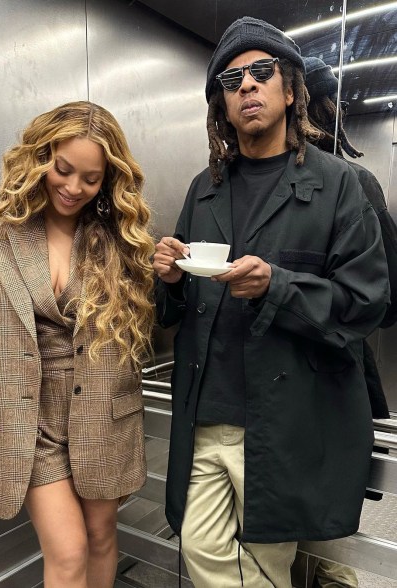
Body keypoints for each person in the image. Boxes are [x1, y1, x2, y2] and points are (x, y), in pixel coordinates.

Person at [153, 16, 390, 588]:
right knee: (203, 546)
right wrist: (171, 278)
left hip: (289, 419)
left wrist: (277, 285)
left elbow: (366, 303)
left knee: (268, 557)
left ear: (290, 91)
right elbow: (176, 311)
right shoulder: (203, 186)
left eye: (262, 73)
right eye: (231, 80)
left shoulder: (339, 185)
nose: (247, 86)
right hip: (206, 411)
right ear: (222, 106)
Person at [0, 101, 154, 588]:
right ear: (40, 154)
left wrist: (169, 270)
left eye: (90, 179)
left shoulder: (118, 238)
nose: (73, 188)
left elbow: (147, 322)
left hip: (102, 412)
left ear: (108, 179)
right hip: (26, 418)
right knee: (68, 552)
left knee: (100, 533)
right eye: (63, 169)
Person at [288, 55, 397, 588]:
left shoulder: (344, 183)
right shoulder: (357, 181)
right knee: (319, 542)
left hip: (292, 390)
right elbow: (388, 300)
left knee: (308, 542)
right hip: (331, 384)